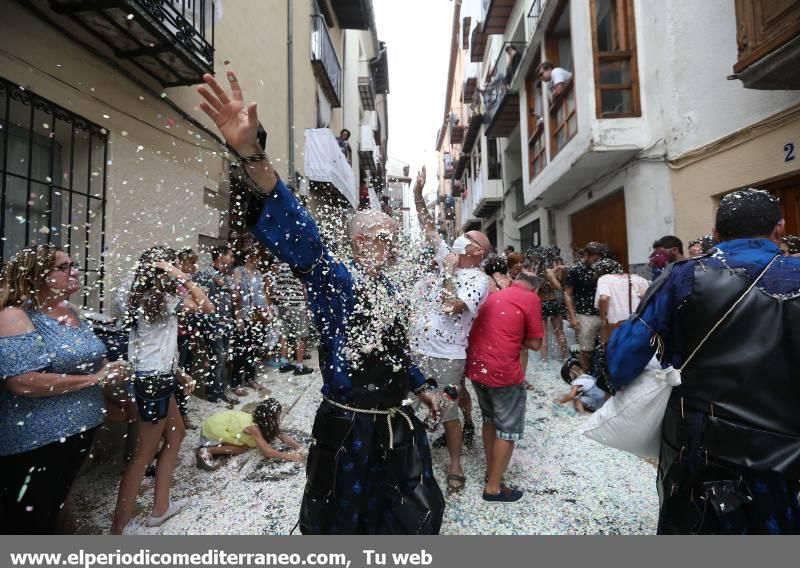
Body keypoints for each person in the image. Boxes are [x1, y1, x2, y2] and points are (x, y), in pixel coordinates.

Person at [197, 70, 443, 534]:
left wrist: (421, 386)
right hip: (350, 430)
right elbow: (300, 232)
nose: (384, 246)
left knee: (403, 517)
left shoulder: (388, 287)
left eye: (389, 238)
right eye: (374, 237)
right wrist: (252, 154)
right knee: (342, 523)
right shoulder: (333, 276)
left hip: (394, 424)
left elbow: (389, 349)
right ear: (354, 243)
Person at [608, 188, 800, 534]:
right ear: (780, 228)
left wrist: (617, 384)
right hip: (787, 441)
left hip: (702, 438)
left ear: (715, 233)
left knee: (697, 523)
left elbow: (624, 356)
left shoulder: (685, 276)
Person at [0, 245, 129, 534]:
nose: (74, 271)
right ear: (36, 275)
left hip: (81, 429)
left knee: (55, 505)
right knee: (29, 523)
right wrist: (95, 380)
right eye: (63, 267)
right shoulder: (15, 315)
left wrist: (109, 390)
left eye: (74, 264)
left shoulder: (69, 310)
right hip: (39, 440)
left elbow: (88, 360)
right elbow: (22, 381)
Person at [111, 246, 214, 534]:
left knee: (176, 434)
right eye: (176, 267)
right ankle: (118, 530)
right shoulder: (162, 300)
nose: (182, 272)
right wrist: (182, 276)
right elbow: (207, 306)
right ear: (164, 271)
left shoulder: (153, 299)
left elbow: (152, 344)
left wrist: (177, 372)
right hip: (153, 382)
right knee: (143, 455)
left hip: (159, 377)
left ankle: (160, 508)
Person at [412, 166, 491, 494]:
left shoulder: (479, 279)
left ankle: (456, 464)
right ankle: (414, 459)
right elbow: (430, 229)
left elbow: (452, 306)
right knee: (413, 406)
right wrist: (418, 196)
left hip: (448, 356)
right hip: (420, 350)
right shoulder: (451, 258)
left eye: (466, 239)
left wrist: (446, 274)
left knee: (448, 411)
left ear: (477, 252)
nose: (458, 240)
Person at [466, 271, 544, 502]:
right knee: (508, 428)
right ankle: (493, 488)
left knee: (489, 419)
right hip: (503, 370)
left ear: (512, 282)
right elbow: (535, 344)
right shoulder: (531, 299)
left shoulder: (496, 295)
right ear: (536, 289)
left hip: (478, 366)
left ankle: (492, 472)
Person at [196, 398, 304, 470]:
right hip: (211, 431)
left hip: (216, 423)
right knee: (242, 448)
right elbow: (267, 452)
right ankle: (207, 450)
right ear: (270, 417)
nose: (279, 418)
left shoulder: (262, 420)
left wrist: (299, 448)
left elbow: (281, 435)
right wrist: (290, 457)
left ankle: (214, 448)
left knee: (245, 444)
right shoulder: (254, 428)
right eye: (278, 415)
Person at [195, 245, 242, 403]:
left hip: (226, 322)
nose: (232, 259)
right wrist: (212, 284)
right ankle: (214, 393)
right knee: (219, 357)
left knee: (223, 358)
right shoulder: (205, 273)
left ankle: (219, 391)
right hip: (212, 324)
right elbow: (196, 294)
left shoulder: (227, 276)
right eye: (230, 255)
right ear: (220, 256)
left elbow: (235, 295)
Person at [231, 246, 271, 389]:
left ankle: (250, 377)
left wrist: (267, 310)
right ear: (248, 257)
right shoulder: (238, 272)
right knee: (241, 349)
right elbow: (235, 294)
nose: (259, 259)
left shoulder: (258, 273)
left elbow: (261, 293)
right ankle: (236, 382)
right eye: (256, 256)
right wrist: (238, 316)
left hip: (257, 316)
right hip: (244, 315)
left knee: (253, 349)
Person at [564, 242, 606, 371]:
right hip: (584, 315)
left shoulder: (602, 269)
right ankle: (586, 378)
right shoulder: (575, 270)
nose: (597, 261)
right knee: (586, 350)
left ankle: (601, 377)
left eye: (599, 258)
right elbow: (567, 294)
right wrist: (573, 317)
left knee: (605, 348)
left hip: (603, 314)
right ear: (586, 255)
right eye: (595, 258)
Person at [593, 258, 649, 344]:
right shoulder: (639, 279)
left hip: (617, 324)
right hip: (639, 322)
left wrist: (602, 318)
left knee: (618, 350)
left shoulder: (604, 279)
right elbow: (648, 298)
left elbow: (604, 298)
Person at [273, 260, 314, 376]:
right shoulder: (297, 264)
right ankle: (299, 366)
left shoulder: (280, 265)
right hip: (296, 305)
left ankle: (284, 363)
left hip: (283, 305)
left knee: (284, 335)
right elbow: (303, 286)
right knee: (301, 335)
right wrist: (306, 301)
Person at [175, 247, 199, 430]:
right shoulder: (175, 284)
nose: (193, 266)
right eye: (191, 262)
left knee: (187, 374)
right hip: (177, 336)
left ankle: (182, 411)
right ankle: (178, 414)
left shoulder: (189, 283)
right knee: (178, 376)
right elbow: (195, 305)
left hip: (190, 334)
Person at [535, 247, 568, 365]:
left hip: (541, 303)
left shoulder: (536, 272)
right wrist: (553, 277)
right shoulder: (550, 272)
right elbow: (558, 287)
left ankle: (544, 360)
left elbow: (534, 292)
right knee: (559, 331)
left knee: (543, 333)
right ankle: (565, 357)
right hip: (553, 302)